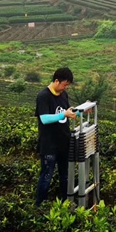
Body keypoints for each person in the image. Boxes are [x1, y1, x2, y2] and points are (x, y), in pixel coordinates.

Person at [35, 67, 78, 206]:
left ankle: (65, 201)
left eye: (68, 85)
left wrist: (81, 112)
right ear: (56, 81)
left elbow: (68, 111)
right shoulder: (44, 96)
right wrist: (63, 115)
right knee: (46, 176)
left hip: (64, 143)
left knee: (65, 175)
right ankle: (40, 204)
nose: (66, 88)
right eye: (64, 85)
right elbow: (44, 119)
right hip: (49, 145)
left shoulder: (63, 95)